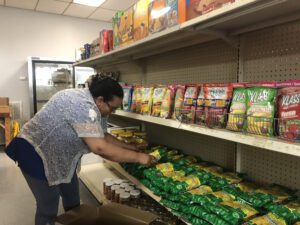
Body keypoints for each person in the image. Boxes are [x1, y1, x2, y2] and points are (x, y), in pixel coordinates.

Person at [5, 76, 154, 225]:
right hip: (35, 152)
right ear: (100, 100)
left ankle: (74, 220)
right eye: (112, 107)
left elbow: (102, 135)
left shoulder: (97, 107)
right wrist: (139, 157)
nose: (113, 112)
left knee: (73, 199)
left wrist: (130, 147)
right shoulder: (81, 105)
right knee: (48, 207)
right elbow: (99, 147)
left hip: (60, 156)